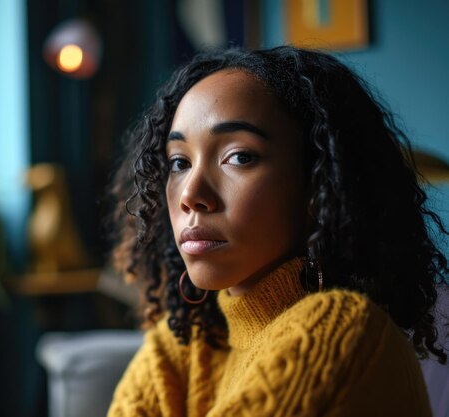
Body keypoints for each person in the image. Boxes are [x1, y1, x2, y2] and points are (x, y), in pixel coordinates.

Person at [106, 46, 448, 417]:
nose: (190, 194)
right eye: (179, 162)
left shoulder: (341, 331)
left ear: (319, 186)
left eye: (239, 156)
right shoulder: (177, 350)